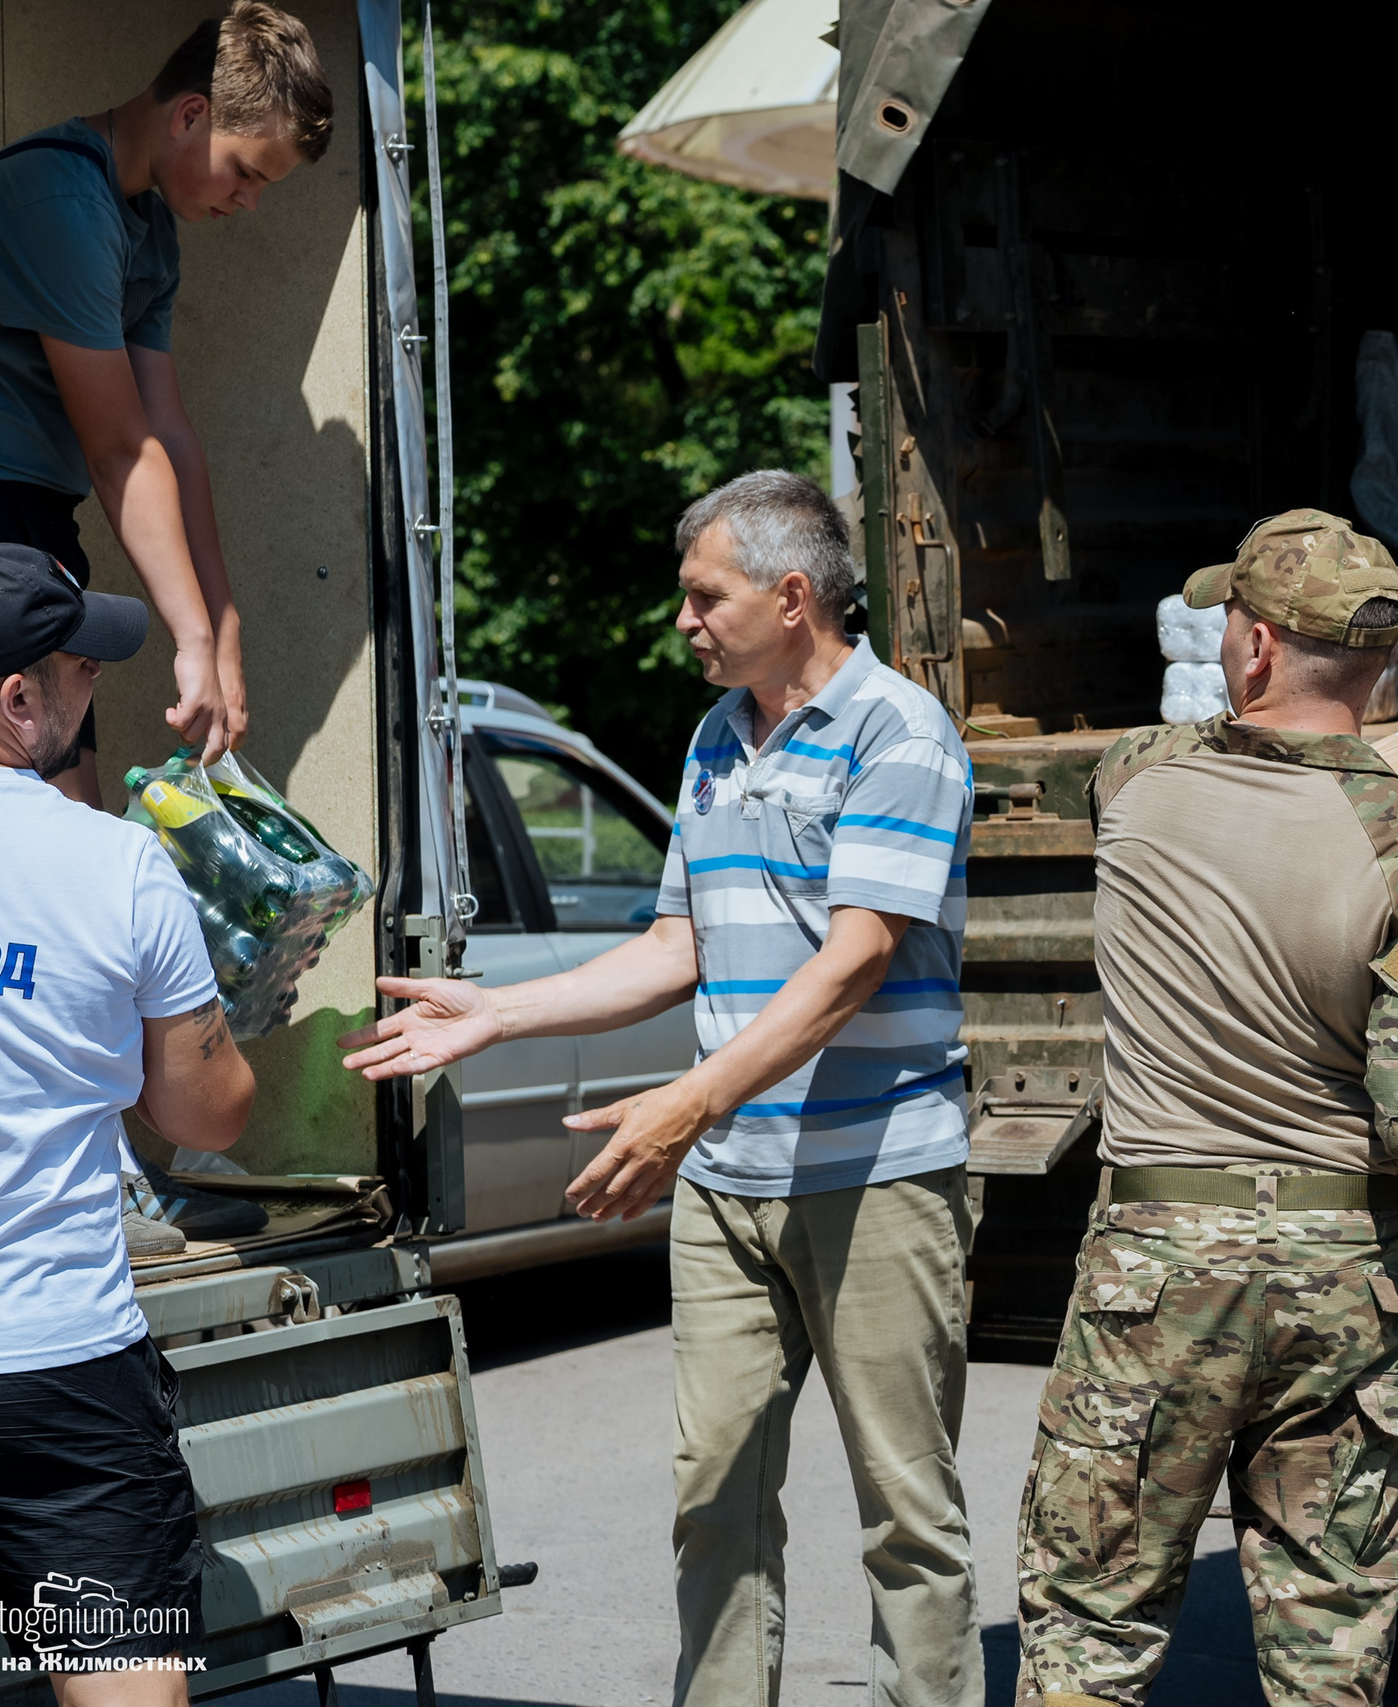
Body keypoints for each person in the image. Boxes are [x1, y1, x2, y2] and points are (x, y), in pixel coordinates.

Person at [338, 471, 984, 1707]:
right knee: (714, 1499)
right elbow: (675, 948)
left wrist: (689, 1102)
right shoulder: (712, 738)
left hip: (877, 1177)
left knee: (907, 1514)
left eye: (704, 596)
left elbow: (855, 962)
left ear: (792, 598)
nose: (682, 621)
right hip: (731, 1187)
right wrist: (499, 1013)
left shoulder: (900, 734)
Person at [1013, 509, 1398, 1707]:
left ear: (1248, 650)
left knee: (1091, 1638)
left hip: (1155, 1269)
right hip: (1345, 1276)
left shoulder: (1132, 776)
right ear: (1386, 663)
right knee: (1329, 1655)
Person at [0, 543, 256, 1707]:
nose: (99, 682)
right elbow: (207, 1114)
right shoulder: (118, 863)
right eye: (82, 666)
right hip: (54, 1364)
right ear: (16, 700)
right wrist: (229, 1012)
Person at [0, 2, 335, 802]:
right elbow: (122, 450)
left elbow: (168, 436)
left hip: (29, 520)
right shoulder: (58, 200)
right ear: (191, 115)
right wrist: (188, 637)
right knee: (25, 810)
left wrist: (223, 633)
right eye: (247, 172)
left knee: (67, 808)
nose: (249, 202)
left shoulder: (147, 233)